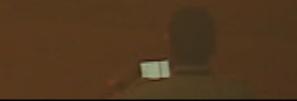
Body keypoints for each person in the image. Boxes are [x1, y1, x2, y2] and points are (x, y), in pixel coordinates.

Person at [109, 6, 254, 99]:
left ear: (171, 44)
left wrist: (121, 85)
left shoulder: (143, 94)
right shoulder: (240, 92)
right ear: (213, 46)